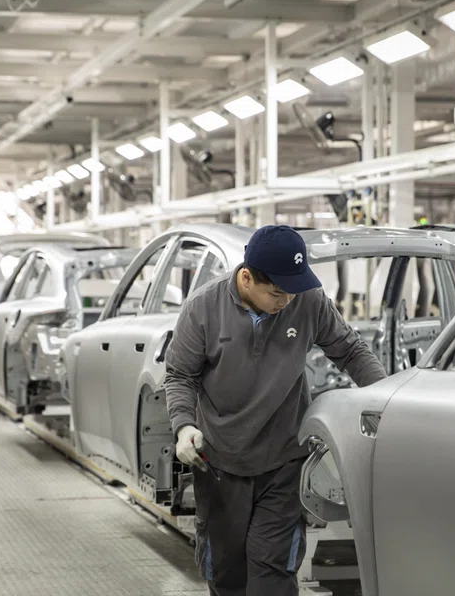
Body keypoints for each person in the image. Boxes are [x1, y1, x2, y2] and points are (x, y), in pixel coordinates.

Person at [164, 225, 388, 596]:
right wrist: (183, 425)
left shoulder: (308, 300)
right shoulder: (203, 309)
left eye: (293, 290)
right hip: (220, 463)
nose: (286, 301)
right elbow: (180, 375)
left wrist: (384, 399)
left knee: (273, 572)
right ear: (247, 278)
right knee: (227, 574)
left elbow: (350, 351)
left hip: (284, 461)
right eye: (277, 293)